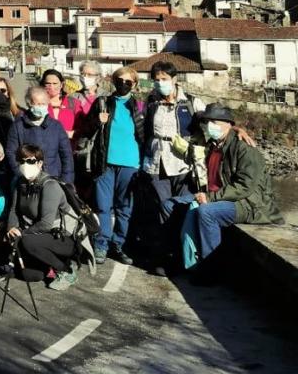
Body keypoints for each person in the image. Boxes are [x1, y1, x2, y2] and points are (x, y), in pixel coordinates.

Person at [187, 106, 282, 275]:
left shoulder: (244, 147)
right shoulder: (213, 145)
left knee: (206, 213)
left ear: (228, 125)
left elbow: (245, 187)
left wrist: (210, 197)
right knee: (171, 205)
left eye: (214, 122)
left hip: (249, 204)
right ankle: (181, 259)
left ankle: (211, 270)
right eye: (207, 122)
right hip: (221, 197)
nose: (210, 126)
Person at [87, 67, 144, 265]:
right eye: (119, 80)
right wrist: (97, 120)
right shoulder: (102, 103)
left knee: (124, 208)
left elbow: (145, 134)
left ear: (134, 84)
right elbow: (87, 128)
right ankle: (102, 244)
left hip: (130, 164)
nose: (123, 84)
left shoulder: (140, 106)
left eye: (128, 81)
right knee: (103, 206)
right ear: (113, 81)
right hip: (105, 162)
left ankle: (119, 244)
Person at [6, 143, 79, 290]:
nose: (26, 164)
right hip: (38, 234)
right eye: (22, 161)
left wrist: (21, 234)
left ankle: (66, 268)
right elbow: (14, 210)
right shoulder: (20, 182)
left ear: (40, 163)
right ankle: (46, 265)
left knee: (27, 242)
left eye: (31, 161)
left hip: (62, 236)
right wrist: (11, 228)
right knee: (30, 275)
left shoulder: (50, 186)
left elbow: (46, 224)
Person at [142, 61, 204, 215]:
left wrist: (235, 128)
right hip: (156, 161)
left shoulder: (191, 102)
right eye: (156, 80)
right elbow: (142, 127)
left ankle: (183, 236)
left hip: (183, 161)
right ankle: (168, 237)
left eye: (164, 79)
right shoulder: (151, 102)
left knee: (185, 204)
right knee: (163, 205)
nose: (160, 83)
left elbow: (212, 120)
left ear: (174, 79)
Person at [6, 87, 74, 184]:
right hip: (26, 180)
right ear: (29, 104)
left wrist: (66, 180)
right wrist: (20, 173)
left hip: (53, 179)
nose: (41, 107)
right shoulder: (18, 126)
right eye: (37, 104)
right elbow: (11, 153)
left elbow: (66, 154)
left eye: (43, 104)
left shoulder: (56, 126)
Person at [41, 69, 86, 140]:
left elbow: (84, 127)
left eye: (55, 83)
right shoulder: (38, 104)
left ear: (61, 85)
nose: (51, 87)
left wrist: (73, 133)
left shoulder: (74, 103)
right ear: (43, 85)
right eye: (48, 83)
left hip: (68, 148)